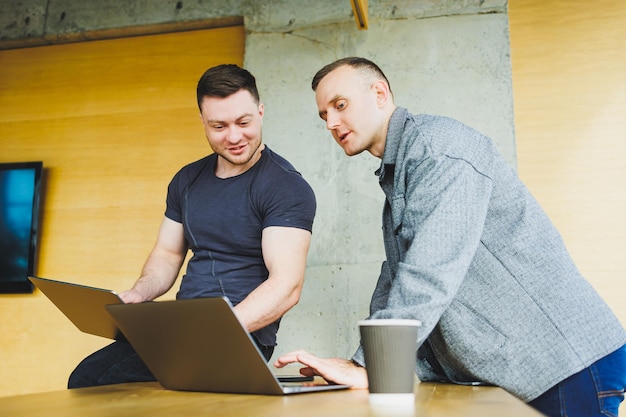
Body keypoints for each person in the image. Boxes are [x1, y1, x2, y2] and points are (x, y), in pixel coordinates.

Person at [274, 57, 626, 417]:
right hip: (531, 368)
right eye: (324, 116)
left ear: (379, 93)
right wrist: (361, 365)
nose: (332, 123)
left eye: (340, 105)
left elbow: (429, 270)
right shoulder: (404, 165)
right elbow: (397, 276)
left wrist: (369, 367)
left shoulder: (437, 149)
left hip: (563, 363)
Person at [68, 64, 316, 388]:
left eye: (244, 122)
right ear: (202, 121)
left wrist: (218, 329)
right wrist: (138, 294)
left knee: (109, 385)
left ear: (261, 111)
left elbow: (287, 286)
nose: (235, 136)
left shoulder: (286, 187)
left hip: (240, 335)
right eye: (219, 126)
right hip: (182, 329)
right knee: (86, 378)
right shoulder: (187, 180)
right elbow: (168, 254)